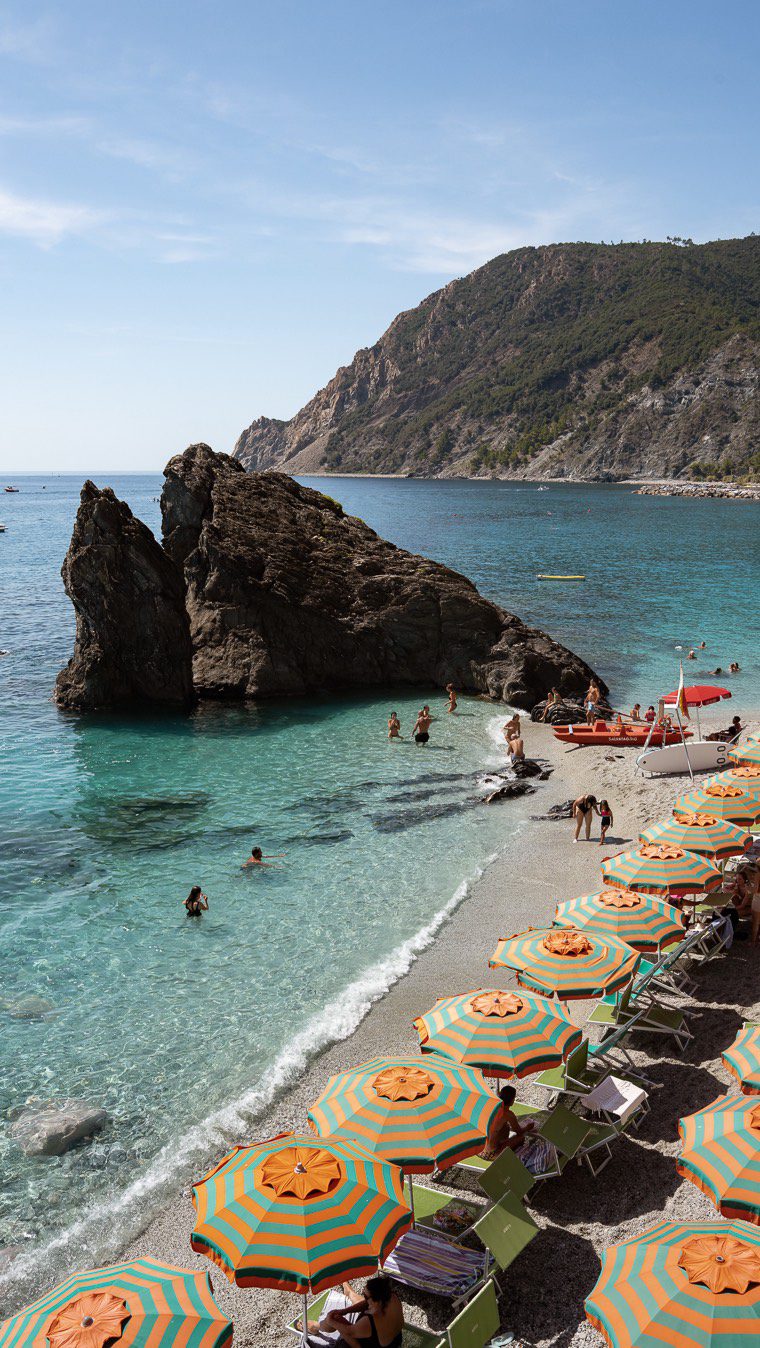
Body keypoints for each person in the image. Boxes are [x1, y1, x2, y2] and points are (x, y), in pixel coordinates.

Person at [317, 1275, 403, 1348]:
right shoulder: (392, 1297)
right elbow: (366, 1303)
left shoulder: (369, 1321)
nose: (364, 1298)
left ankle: (316, 1327)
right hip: (395, 1340)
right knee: (361, 1304)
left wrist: (330, 1320)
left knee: (334, 1318)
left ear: (377, 1301)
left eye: (365, 1296)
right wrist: (345, 1311)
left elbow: (349, 1332)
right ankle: (348, 1290)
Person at [481, 1084, 535, 1160]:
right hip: (492, 1153)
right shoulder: (507, 1114)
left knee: (506, 1127)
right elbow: (519, 1132)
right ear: (512, 1100)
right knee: (521, 1138)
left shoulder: (492, 1106)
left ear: (500, 1095)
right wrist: (527, 1127)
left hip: (480, 1149)